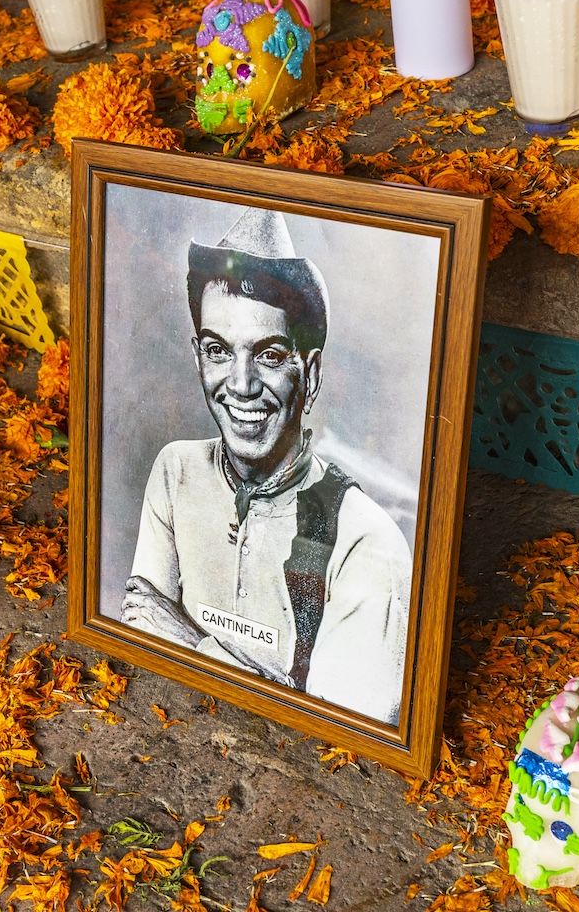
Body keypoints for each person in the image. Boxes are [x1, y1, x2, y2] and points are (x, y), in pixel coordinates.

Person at [120, 206, 412, 724]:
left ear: (310, 375)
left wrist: (192, 642)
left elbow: (344, 732)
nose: (241, 385)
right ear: (198, 358)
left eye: (270, 356)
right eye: (218, 350)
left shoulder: (365, 542)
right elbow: (142, 633)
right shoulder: (176, 471)